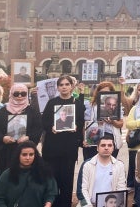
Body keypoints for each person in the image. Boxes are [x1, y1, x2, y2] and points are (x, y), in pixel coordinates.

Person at [41, 75, 86, 207]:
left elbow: (81, 121)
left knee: (67, 178)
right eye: (61, 85)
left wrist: (77, 126)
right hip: (52, 147)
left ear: (72, 86)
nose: (64, 87)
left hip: (69, 147)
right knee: (52, 177)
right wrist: (51, 128)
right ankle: (52, 202)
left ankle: (65, 203)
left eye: (67, 84)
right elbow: (44, 122)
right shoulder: (52, 103)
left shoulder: (76, 103)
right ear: (58, 87)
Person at [0, 83, 43, 177]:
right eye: (16, 93)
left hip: (27, 152)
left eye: (23, 94)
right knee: (6, 178)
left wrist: (28, 137)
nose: (19, 96)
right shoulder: (2, 112)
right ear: (11, 94)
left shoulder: (32, 112)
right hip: (7, 152)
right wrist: (3, 138)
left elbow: (38, 129)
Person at [0, 141, 57, 207]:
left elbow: (51, 192)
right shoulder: (8, 174)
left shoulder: (44, 172)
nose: (28, 158)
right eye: (24, 155)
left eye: (31, 154)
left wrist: (48, 203)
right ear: (18, 156)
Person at [77, 135, 126, 206]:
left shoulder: (119, 165)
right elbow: (81, 190)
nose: (106, 148)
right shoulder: (87, 165)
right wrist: (89, 205)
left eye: (109, 145)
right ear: (97, 148)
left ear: (113, 148)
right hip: (90, 204)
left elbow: (121, 189)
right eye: (103, 145)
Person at [83, 82, 124, 160]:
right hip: (94, 137)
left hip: (110, 137)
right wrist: (85, 139)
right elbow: (85, 124)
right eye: (102, 92)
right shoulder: (90, 105)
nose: (104, 94)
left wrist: (113, 122)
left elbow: (120, 124)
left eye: (107, 92)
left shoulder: (116, 106)